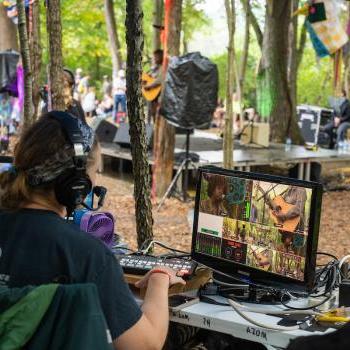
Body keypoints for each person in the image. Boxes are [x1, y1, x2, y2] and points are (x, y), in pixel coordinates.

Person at [0, 111, 186, 350]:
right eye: (95, 172)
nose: (96, 182)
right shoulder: (86, 256)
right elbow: (145, 345)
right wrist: (160, 279)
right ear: (77, 183)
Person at [144, 49, 164, 123]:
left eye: (156, 57)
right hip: (153, 96)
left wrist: (149, 86)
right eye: (154, 57)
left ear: (161, 56)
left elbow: (159, 80)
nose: (154, 59)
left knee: (157, 115)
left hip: (160, 96)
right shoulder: (155, 68)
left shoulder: (163, 67)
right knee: (152, 113)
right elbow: (151, 78)